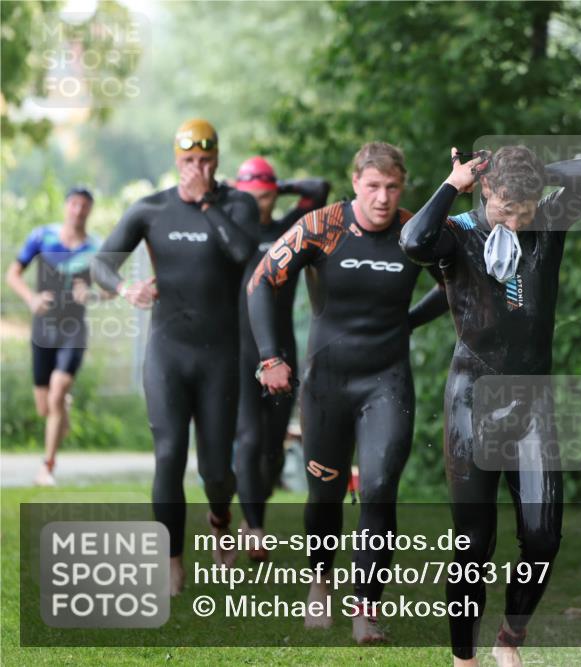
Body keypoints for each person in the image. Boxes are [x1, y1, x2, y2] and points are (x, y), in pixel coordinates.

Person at [400, 145, 581, 667]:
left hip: (534, 401)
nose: (518, 221)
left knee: (543, 536)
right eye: (508, 209)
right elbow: (412, 240)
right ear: (487, 191)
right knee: (473, 543)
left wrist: (533, 172)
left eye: (527, 208)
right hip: (472, 400)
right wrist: (455, 181)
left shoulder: (548, 224)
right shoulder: (457, 233)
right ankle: (464, 659)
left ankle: (510, 638)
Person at [250, 142, 448, 641]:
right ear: (356, 183)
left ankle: (366, 608)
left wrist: (408, 323)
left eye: (392, 187)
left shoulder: (415, 231)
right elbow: (263, 281)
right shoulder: (323, 226)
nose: (383, 198)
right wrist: (271, 357)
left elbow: (455, 286)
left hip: (387, 380)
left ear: (402, 187)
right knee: (326, 492)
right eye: (373, 186)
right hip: (327, 384)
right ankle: (320, 582)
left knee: (380, 488)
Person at [91, 119, 259, 595]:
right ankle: (172, 562)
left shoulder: (236, 204)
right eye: (189, 161)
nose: (197, 169)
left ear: (217, 160)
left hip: (219, 356)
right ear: (176, 160)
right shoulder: (152, 209)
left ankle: (221, 518)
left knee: (214, 471)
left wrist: (207, 202)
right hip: (167, 351)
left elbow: (243, 251)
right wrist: (126, 287)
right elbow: (101, 263)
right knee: (168, 456)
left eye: (205, 161)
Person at [231, 156, 330, 560]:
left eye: (265, 195)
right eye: (250, 196)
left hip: (282, 350)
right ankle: (253, 527)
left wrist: (278, 183)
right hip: (238, 351)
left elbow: (319, 187)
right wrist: (233, 190)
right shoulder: (232, 230)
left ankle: (256, 514)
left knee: (273, 445)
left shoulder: (289, 231)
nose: (259, 203)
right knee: (249, 438)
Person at [6, 187, 101, 486]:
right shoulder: (41, 237)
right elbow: (13, 274)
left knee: (58, 390)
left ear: (90, 210)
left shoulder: (96, 248)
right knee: (45, 407)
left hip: (74, 328)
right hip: (43, 328)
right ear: (66, 207)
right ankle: (62, 411)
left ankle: (46, 467)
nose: (78, 210)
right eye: (74, 204)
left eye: (84, 206)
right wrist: (31, 298)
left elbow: (112, 287)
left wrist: (93, 295)